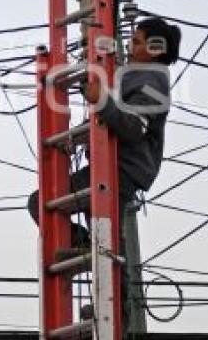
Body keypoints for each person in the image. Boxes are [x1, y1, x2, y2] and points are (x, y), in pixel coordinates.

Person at [27, 17, 181, 246]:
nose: (130, 46)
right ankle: (86, 247)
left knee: (44, 204)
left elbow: (132, 126)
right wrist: (77, 136)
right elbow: (106, 119)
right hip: (109, 164)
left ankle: (84, 246)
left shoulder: (153, 80)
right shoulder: (131, 76)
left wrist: (100, 99)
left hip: (120, 171)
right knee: (106, 244)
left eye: (137, 42)